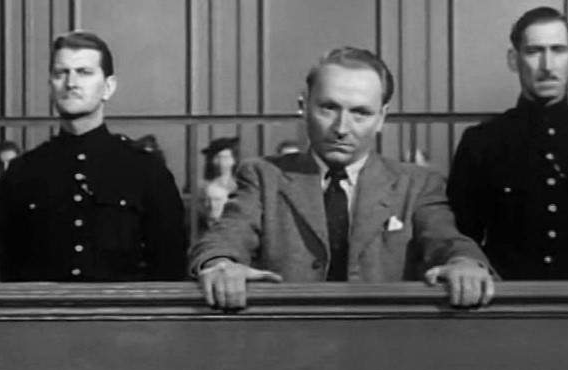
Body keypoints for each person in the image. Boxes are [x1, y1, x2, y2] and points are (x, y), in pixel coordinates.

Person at [190, 47, 495, 309]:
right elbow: (225, 237)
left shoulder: (417, 184)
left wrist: (464, 264)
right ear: (304, 106)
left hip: (384, 341)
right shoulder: (263, 176)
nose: (341, 128)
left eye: (360, 112)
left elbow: (448, 240)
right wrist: (221, 265)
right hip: (288, 341)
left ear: (382, 117)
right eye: (328, 108)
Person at [447, 7, 568, 280]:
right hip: (508, 296)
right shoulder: (482, 142)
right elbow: (463, 239)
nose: (548, 65)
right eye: (534, 51)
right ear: (513, 59)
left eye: (558, 50)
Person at [0, 31, 186, 281]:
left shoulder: (146, 170)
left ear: (108, 87)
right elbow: (11, 270)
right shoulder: (22, 172)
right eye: (61, 73)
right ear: (50, 85)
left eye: (84, 72)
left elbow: (169, 265)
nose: (71, 83)